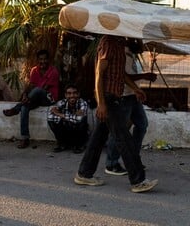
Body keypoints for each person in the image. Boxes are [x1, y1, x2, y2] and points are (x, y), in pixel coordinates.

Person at [74, 35, 157, 193]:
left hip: (115, 98)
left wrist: (136, 89)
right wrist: (101, 104)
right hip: (109, 99)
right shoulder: (108, 42)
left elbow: (121, 75)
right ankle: (138, 180)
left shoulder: (119, 44)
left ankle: (84, 173)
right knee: (124, 139)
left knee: (98, 138)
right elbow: (99, 73)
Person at [105, 38, 156, 175]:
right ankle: (112, 162)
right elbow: (123, 76)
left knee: (141, 125)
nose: (140, 45)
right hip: (124, 95)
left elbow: (129, 75)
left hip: (132, 94)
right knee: (120, 130)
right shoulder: (121, 52)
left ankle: (132, 159)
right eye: (137, 40)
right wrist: (144, 76)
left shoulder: (131, 54)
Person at [3, 49, 60, 148]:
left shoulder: (53, 71)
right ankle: (25, 138)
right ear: (37, 60)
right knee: (25, 107)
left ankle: (16, 109)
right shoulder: (34, 70)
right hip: (36, 97)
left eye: (45, 59)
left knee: (38, 90)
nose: (43, 61)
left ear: (48, 60)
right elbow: (30, 86)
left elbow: (43, 89)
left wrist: (29, 97)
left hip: (49, 98)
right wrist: (25, 95)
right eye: (40, 59)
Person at [47, 83, 89, 153]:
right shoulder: (61, 102)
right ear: (65, 95)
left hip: (78, 134)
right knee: (52, 122)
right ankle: (62, 144)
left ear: (78, 94)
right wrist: (72, 116)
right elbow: (50, 117)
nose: (72, 96)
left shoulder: (83, 103)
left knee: (81, 122)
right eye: (69, 93)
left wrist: (59, 114)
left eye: (74, 93)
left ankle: (79, 145)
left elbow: (79, 119)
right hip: (67, 131)